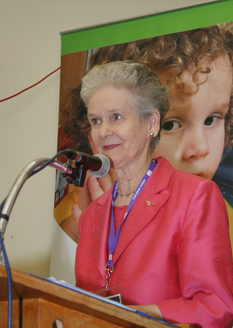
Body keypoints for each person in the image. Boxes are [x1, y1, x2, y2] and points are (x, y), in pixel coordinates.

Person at [71, 61, 233, 328]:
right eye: (95, 121)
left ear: (152, 123)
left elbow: (215, 307)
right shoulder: (91, 217)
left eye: (116, 117)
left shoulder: (195, 196)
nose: (103, 131)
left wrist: (137, 319)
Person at [59, 23, 233, 247]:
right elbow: (45, 272)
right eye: (170, 125)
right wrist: (78, 230)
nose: (200, 149)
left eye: (211, 119)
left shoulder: (217, 214)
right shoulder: (85, 201)